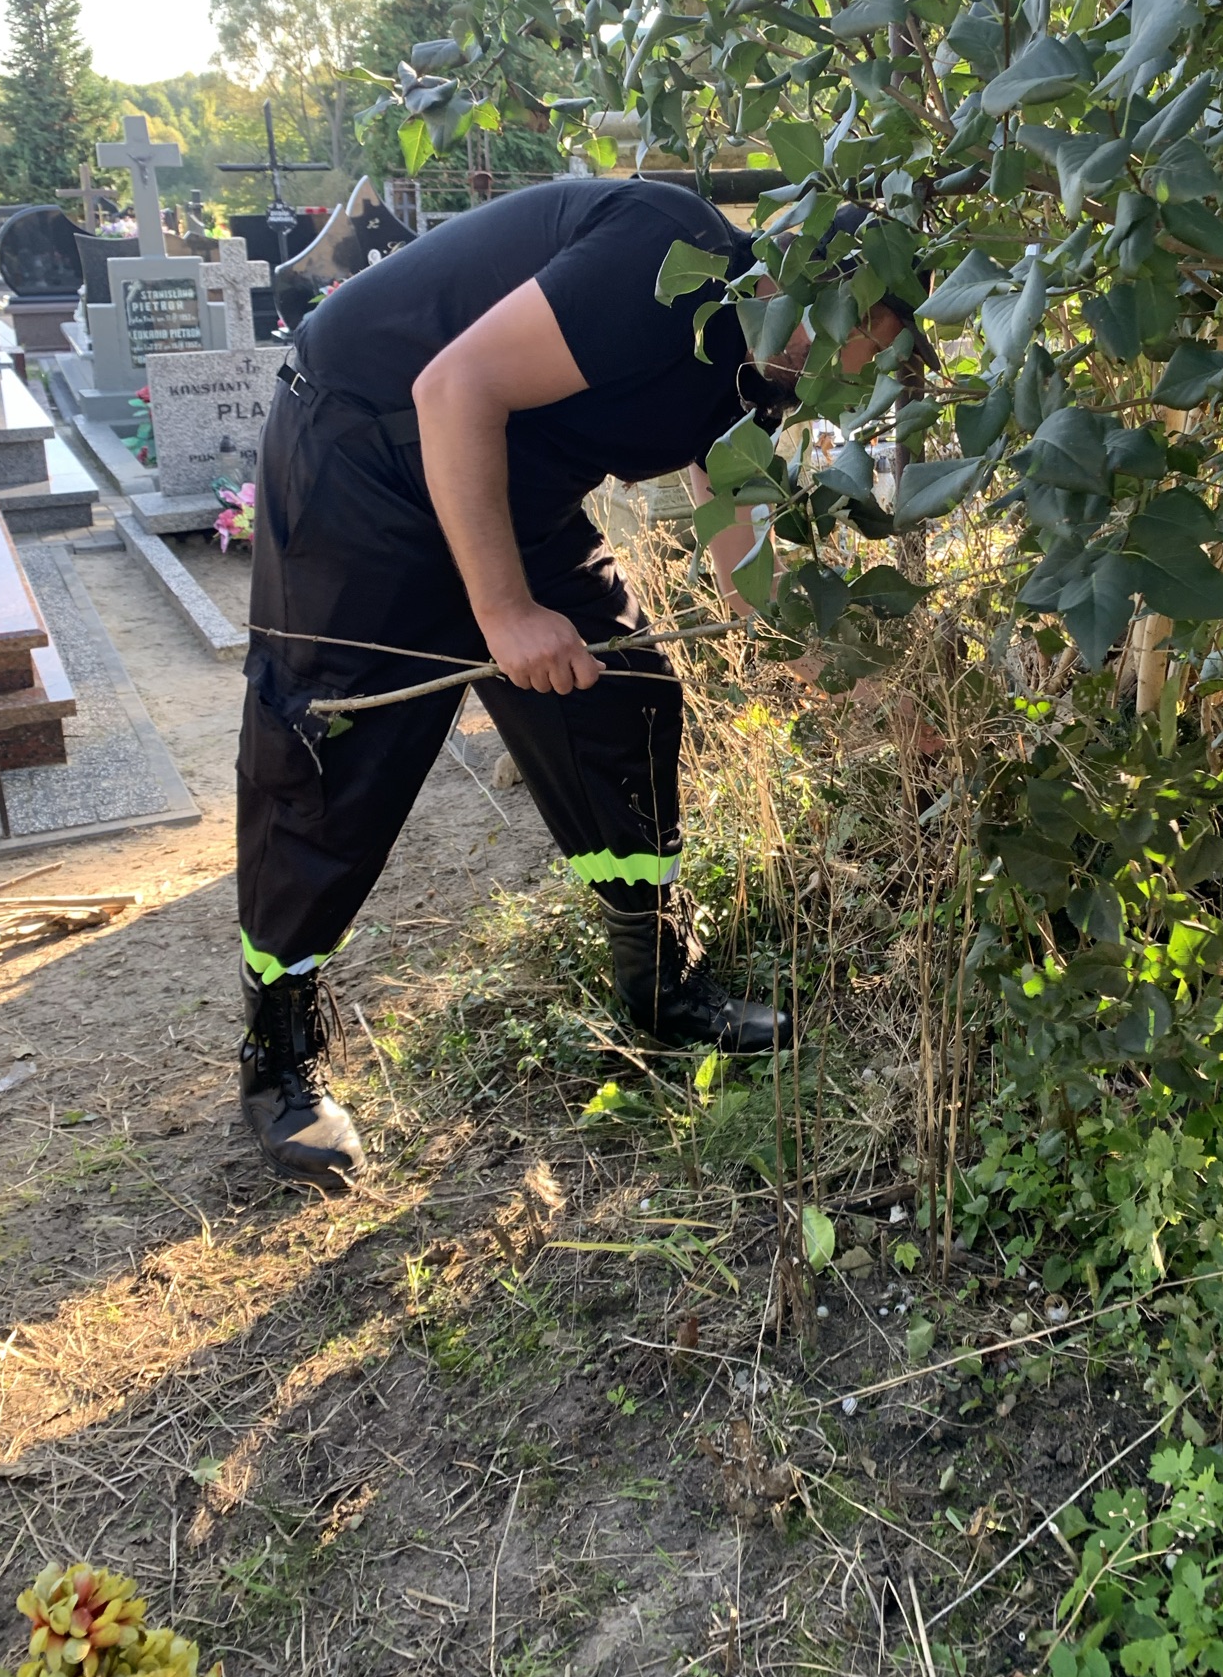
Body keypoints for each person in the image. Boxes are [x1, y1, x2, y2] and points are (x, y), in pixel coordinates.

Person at [236, 177, 908, 1190]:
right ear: (836, 300)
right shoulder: (663, 260)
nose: (883, 374)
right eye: (888, 343)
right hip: (365, 451)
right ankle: (277, 1045)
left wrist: (849, 683)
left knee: (624, 700)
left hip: (509, 474)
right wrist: (504, 613)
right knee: (330, 752)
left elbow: (738, 541)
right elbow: (451, 390)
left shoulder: (752, 370)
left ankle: (658, 986)